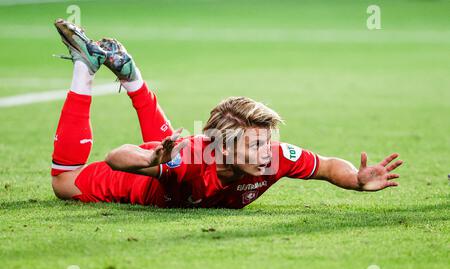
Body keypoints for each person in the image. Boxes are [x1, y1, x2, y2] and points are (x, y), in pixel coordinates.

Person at [51, 19, 403, 209]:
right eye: (253, 147)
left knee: (169, 145)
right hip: (133, 180)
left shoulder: (275, 157)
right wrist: (150, 157)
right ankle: (84, 70)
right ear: (221, 148)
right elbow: (116, 159)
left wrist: (355, 181)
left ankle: (132, 78)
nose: (265, 153)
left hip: (171, 157)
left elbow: (326, 166)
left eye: (266, 142)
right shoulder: (189, 159)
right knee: (64, 184)